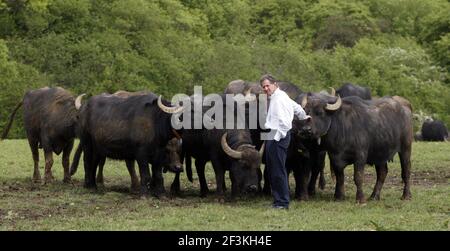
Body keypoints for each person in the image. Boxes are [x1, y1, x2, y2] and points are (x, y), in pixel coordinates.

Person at [260, 74, 310, 210]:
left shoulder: (278, 99)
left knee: (277, 170)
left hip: (277, 135)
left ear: (275, 84)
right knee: (274, 169)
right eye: (263, 87)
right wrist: (304, 116)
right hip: (274, 134)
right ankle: (279, 200)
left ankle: (282, 202)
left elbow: (283, 121)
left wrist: (277, 137)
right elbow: (297, 108)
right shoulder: (281, 96)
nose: (265, 88)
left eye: (267, 85)